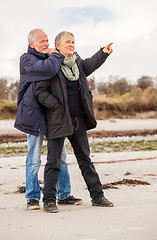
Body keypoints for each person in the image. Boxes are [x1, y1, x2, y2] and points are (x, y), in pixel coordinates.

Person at [35, 31, 114, 213]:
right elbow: (40, 92)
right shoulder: (51, 65)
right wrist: (56, 105)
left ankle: (97, 196)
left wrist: (103, 52)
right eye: (67, 42)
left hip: (79, 121)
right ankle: (49, 200)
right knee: (53, 162)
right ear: (58, 46)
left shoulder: (77, 63)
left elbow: (89, 64)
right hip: (58, 120)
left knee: (85, 160)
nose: (71, 44)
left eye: (73, 42)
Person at [14, 29, 82, 210]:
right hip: (33, 116)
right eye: (41, 41)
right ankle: (33, 198)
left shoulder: (50, 58)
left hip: (52, 116)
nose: (46, 43)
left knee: (60, 157)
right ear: (31, 44)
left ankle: (64, 194)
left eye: (47, 40)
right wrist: (56, 55)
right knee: (34, 158)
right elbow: (47, 69)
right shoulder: (27, 60)